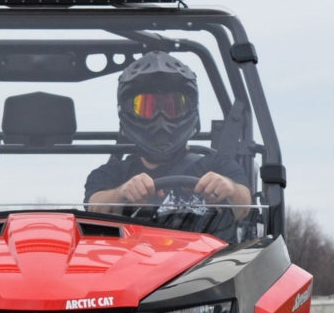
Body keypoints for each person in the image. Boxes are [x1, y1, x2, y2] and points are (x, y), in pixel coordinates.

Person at [85, 51, 251, 221]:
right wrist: (122, 193)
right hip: (135, 246)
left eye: (172, 107)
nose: (161, 118)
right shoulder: (112, 173)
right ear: (128, 113)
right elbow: (94, 207)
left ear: (190, 110)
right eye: (148, 108)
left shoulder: (217, 165)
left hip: (210, 247)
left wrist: (229, 188)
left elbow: (244, 206)